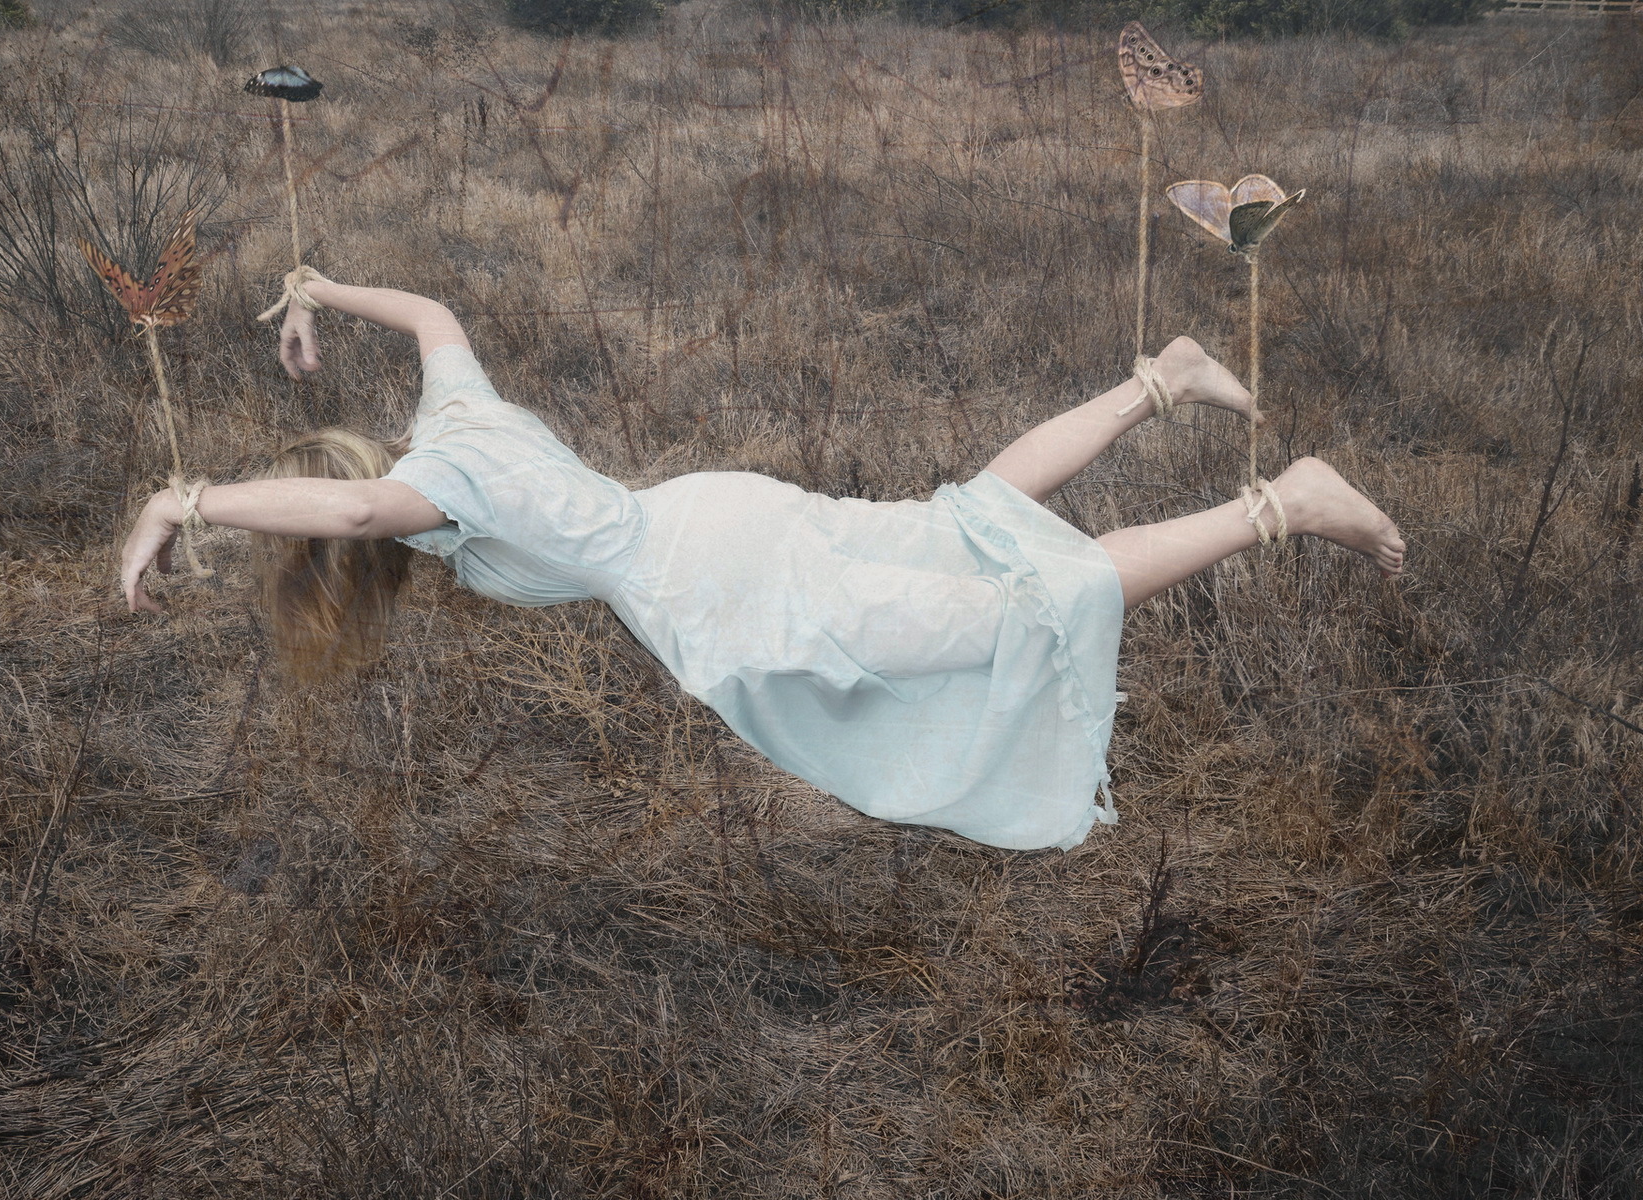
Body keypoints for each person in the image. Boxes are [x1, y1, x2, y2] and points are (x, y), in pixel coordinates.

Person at [119, 275, 1405, 852]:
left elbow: (354, 515)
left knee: (1017, 612)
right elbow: (433, 317)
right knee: (961, 515)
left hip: (713, 587)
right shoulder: (455, 419)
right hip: (714, 514)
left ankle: (1283, 503)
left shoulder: (423, 495)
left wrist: (186, 500)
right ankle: (1160, 379)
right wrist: (316, 288)